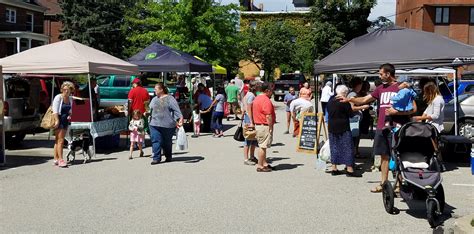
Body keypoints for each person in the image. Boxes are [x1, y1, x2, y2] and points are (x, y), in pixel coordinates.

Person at [339, 63, 417, 193]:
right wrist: (348, 99)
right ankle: (383, 183)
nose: (379, 76)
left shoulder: (401, 87)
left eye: (381, 74)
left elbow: (413, 109)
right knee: (384, 156)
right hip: (382, 127)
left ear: (388, 73)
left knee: (398, 156)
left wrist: (396, 113)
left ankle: (399, 184)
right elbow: (364, 99)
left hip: (397, 127)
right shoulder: (380, 89)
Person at [327, 85, 363, 177]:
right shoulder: (344, 102)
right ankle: (350, 169)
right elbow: (350, 114)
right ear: (344, 93)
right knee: (348, 147)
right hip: (343, 126)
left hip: (332, 126)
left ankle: (334, 168)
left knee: (334, 146)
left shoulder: (330, 100)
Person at [149, 83, 184, 165]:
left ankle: (168, 156)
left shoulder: (170, 99)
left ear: (161, 90)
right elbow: (149, 109)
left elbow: (176, 110)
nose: (154, 91)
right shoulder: (154, 99)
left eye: (156, 89)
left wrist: (180, 118)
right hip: (154, 124)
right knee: (156, 140)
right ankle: (156, 158)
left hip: (167, 124)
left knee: (167, 142)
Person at [253, 83, 276, 172]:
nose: (272, 93)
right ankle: (260, 165)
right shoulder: (265, 100)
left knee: (264, 145)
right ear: (267, 91)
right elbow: (268, 115)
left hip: (259, 125)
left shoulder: (257, 98)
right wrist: (270, 126)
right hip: (264, 125)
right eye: (271, 91)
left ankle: (264, 163)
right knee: (262, 146)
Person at [52, 81, 75, 168]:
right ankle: (61, 159)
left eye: (68, 90)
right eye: (64, 89)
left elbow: (70, 110)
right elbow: (55, 110)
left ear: (71, 90)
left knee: (58, 140)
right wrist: (57, 120)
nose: (66, 91)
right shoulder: (58, 97)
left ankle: (56, 159)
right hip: (59, 119)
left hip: (65, 120)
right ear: (62, 89)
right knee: (61, 140)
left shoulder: (70, 99)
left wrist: (70, 114)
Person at [242, 81, 259, 165]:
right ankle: (246, 159)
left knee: (253, 139)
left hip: (249, 118)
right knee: (248, 139)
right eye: (257, 86)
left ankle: (252, 156)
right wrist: (252, 121)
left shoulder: (249, 94)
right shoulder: (251, 95)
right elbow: (249, 108)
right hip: (250, 118)